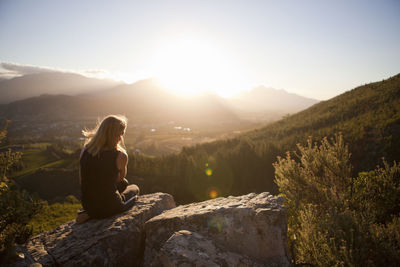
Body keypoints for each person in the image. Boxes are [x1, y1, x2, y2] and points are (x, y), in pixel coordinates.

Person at [76, 115, 139, 223]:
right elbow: (119, 179)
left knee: (124, 183)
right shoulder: (120, 156)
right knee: (134, 188)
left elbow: (82, 180)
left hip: (88, 204)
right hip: (110, 207)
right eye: (121, 134)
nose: (121, 137)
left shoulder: (86, 150)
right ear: (117, 135)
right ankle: (112, 207)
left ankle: (90, 212)